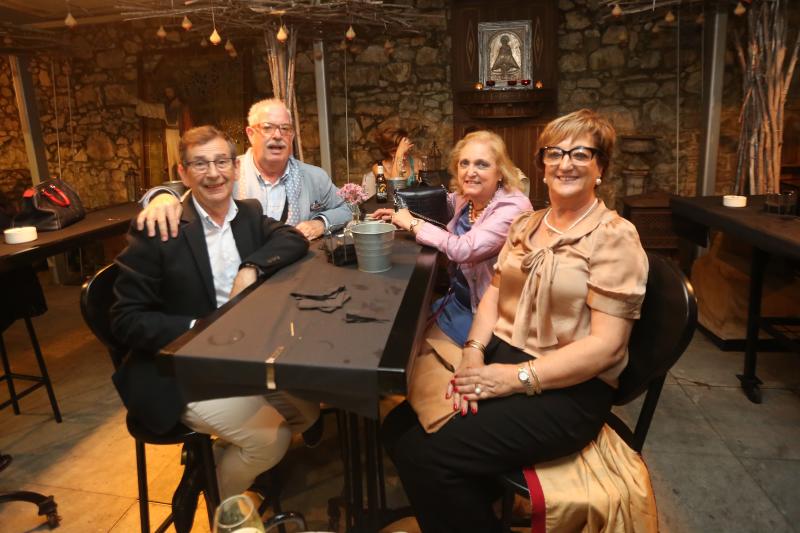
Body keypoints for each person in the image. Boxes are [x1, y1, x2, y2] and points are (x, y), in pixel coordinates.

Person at [381, 109, 649, 532]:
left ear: (601, 167)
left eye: (581, 153)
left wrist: (510, 379)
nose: (565, 164)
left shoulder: (615, 236)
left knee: (423, 456)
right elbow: (492, 294)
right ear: (542, 166)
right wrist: (473, 353)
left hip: (570, 389)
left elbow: (607, 347)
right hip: (505, 355)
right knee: (396, 428)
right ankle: (473, 502)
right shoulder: (528, 223)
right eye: (555, 153)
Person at [111, 125, 317, 500]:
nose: (213, 173)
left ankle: (207, 463)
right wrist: (200, 327)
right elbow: (125, 319)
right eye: (200, 164)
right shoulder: (160, 228)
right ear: (182, 172)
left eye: (222, 161)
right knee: (272, 440)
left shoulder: (249, 215)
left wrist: (251, 266)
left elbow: (292, 239)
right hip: (179, 369)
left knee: (310, 412)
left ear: (236, 168)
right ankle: (214, 496)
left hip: (240, 358)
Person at [136, 98, 351, 242]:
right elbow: (192, 197)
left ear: (292, 136)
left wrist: (320, 222)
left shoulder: (314, 177)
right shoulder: (228, 171)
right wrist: (162, 196)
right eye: (267, 127)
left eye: (285, 129)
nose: (277, 135)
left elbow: (346, 210)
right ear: (250, 134)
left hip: (296, 273)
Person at [134, 87, 193, 180]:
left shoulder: (182, 106)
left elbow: (187, 122)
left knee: (180, 158)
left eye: (170, 91)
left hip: (179, 134)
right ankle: (172, 181)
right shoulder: (165, 107)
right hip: (169, 134)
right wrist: (140, 104)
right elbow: (153, 110)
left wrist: (188, 137)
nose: (168, 94)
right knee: (170, 162)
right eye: (166, 92)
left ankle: (184, 181)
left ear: (175, 91)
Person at [363, 127, 418, 196]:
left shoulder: (415, 162)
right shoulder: (379, 168)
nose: (404, 153)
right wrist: (399, 155)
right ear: (389, 151)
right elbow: (394, 191)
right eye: (394, 151)